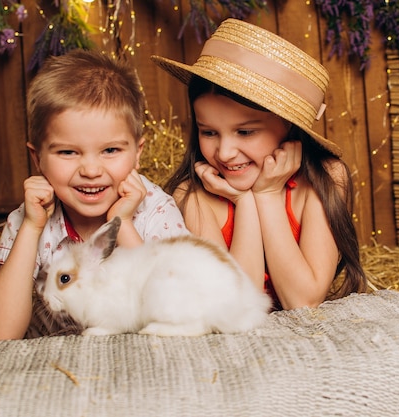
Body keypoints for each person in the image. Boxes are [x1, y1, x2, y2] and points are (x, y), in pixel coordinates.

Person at [151, 18, 367, 311]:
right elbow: (239, 304)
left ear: (289, 128)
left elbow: (303, 301)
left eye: (245, 132)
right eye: (209, 132)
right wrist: (246, 201)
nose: (225, 152)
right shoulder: (193, 196)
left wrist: (268, 195)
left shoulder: (326, 178)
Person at [0, 49, 188, 343]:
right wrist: (31, 227)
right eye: (67, 152)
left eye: (110, 150)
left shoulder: (154, 210)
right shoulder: (30, 218)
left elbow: (175, 307)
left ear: (137, 153)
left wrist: (123, 223)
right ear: (37, 158)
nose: (91, 170)